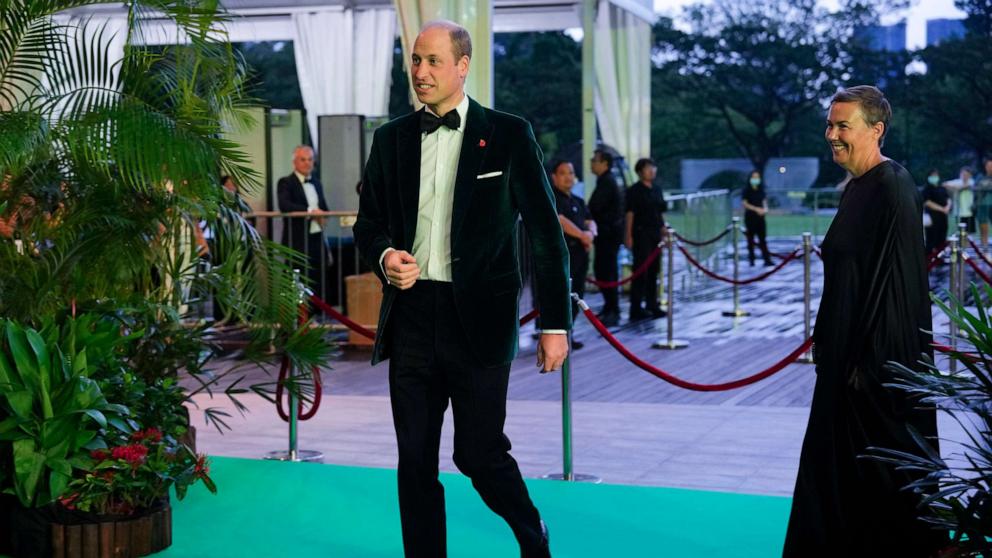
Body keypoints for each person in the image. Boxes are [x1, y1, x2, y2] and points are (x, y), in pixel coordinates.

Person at [353, 20, 570, 558]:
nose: (421, 72)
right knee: (416, 462)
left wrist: (554, 324)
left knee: (479, 454)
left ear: (462, 65)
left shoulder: (508, 134)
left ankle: (529, 529)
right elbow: (368, 223)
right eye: (415, 61)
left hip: (481, 320)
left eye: (432, 61)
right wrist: (386, 256)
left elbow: (546, 235)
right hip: (412, 316)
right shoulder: (390, 138)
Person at [783, 85, 946, 556]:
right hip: (842, 365)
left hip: (872, 374)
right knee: (834, 479)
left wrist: (869, 368)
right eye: (830, 124)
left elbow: (899, 286)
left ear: (876, 130)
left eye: (842, 126)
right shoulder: (856, 187)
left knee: (879, 482)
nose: (832, 134)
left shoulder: (893, 186)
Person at [551, 159, 595, 349]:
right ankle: (558, 336)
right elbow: (560, 220)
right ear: (554, 177)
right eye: (563, 173)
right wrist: (582, 235)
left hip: (580, 255)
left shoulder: (577, 200)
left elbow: (590, 220)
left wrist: (590, 234)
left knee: (577, 294)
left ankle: (570, 333)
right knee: (562, 296)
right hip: (562, 256)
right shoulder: (552, 198)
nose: (568, 177)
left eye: (570, 172)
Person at [277, 145, 329, 295]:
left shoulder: (317, 183)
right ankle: (297, 316)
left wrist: (322, 216)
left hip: (316, 237)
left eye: (310, 159)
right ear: (295, 162)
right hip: (297, 240)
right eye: (303, 159)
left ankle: (316, 314)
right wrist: (310, 212)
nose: (307, 163)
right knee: (297, 278)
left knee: (317, 277)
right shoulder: (286, 182)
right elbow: (284, 205)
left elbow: (324, 207)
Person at [624, 157, 667, 321]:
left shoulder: (657, 189)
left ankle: (652, 304)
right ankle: (635, 308)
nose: (652, 171)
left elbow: (661, 211)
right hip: (641, 234)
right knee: (641, 270)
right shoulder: (634, 191)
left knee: (654, 270)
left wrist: (664, 229)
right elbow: (630, 214)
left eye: (653, 168)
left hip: (656, 233)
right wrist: (627, 236)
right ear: (640, 171)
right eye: (649, 168)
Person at [587, 149, 624, 327]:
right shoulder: (605, 181)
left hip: (608, 235)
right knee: (605, 270)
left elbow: (596, 207)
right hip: (607, 234)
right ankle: (609, 307)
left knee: (606, 271)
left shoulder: (607, 182)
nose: (591, 163)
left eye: (595, 160)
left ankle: (613, 310)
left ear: (605, 164)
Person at [741, 170, 774, 266]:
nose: (756, 179)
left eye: (757, 177)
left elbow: (764, 201)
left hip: (761, 217)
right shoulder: (746, 190)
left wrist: (765, 209)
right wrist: (756, 209)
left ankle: (766, 259)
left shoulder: (761, 189)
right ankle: (751, 259)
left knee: (762, 239)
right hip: (750, 217)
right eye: (754, 177)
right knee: (750, 239)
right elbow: (745, 203)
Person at [922, 168, 951, 256]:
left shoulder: (941, 187)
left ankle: (940, 257)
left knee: (942, 237)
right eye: (932, 175)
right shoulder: (926, 189)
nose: (934, 177)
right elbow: (927, 202)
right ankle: (930, 258)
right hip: (932, 216)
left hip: (943, 216)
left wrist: (947, 207)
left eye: (936, 175)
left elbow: (948, 198)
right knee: (931, 237)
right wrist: (942, 209)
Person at [943, 166, 974, 233]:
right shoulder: (957, 182)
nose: (964, 176)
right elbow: (944, 184)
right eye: (963, 174)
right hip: (958, 211)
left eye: (966, 175)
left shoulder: (972, 182)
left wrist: (955, 188)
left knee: (969, 231)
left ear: (970, 175)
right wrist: (955, 188)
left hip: (969, 211)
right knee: (960, 231)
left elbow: (964, 187)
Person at [976, 158, 992, 250]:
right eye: (989, 166)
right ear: (986, 167)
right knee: (983, 226)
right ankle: (984, 245)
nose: (990, 168)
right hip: (983, 205)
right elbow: (977, 188)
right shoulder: (980, 177)